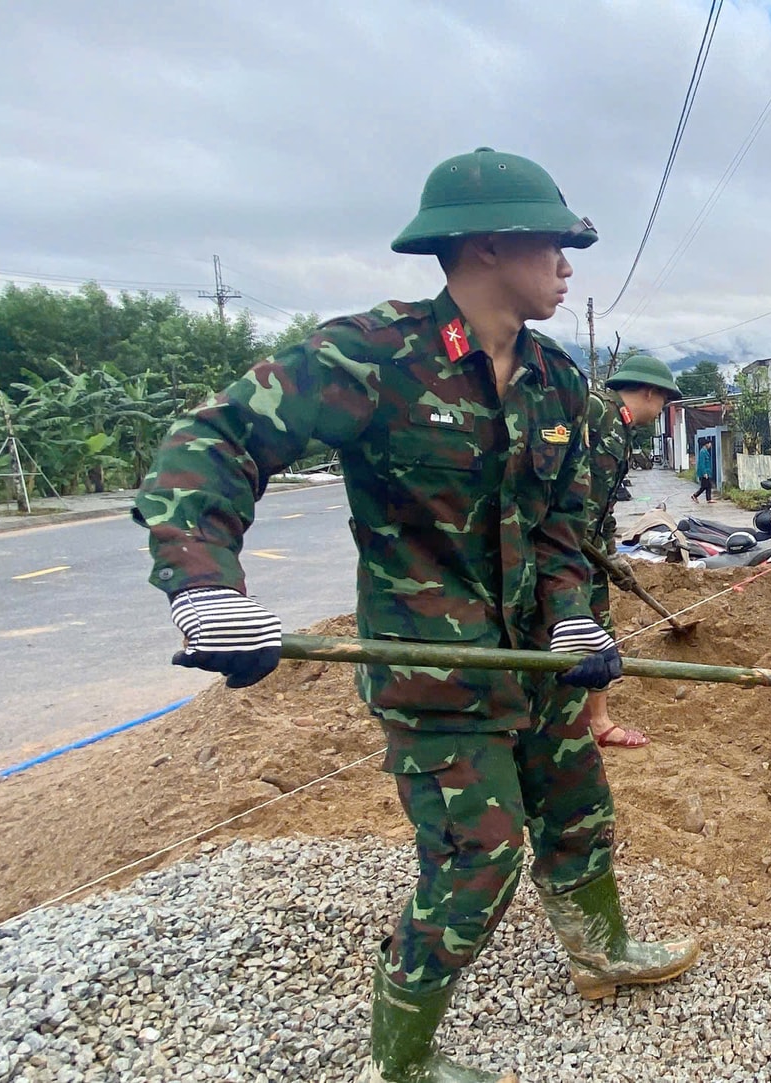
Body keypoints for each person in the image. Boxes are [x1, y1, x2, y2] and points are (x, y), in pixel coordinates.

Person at [133, 147, 698, 1083]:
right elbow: (216, 436)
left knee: (578, 812)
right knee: (478, 860)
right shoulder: (373, 356)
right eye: (552, 245)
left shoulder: (559, 383)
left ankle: (603, 952)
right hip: (436, 669)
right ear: (484, 245)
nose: (567, 266)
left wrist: (573, 616)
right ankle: (401, 1061)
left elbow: (563, 524)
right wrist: (204, 584)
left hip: (541, 665)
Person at [582, 353, 682, 749]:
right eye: (663, 402)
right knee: (566, 635)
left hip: (586, 554)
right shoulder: (592, 412)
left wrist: (611, 556)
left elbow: (601, 506)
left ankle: (598, 722)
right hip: (559, 552)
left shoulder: (621, 434)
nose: (661, 411)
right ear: (649, 392)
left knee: (597, 633)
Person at [693, 438, 717, 502]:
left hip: (707, 472)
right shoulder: (702, 452)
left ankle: (708, 499)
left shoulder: (705, 451)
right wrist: (704, 473)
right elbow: (702, 463)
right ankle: (695, 495)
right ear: (706, 444)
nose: (710, 445)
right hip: (704, 472)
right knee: (704, 486)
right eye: (709, 444)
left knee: (708, 485)